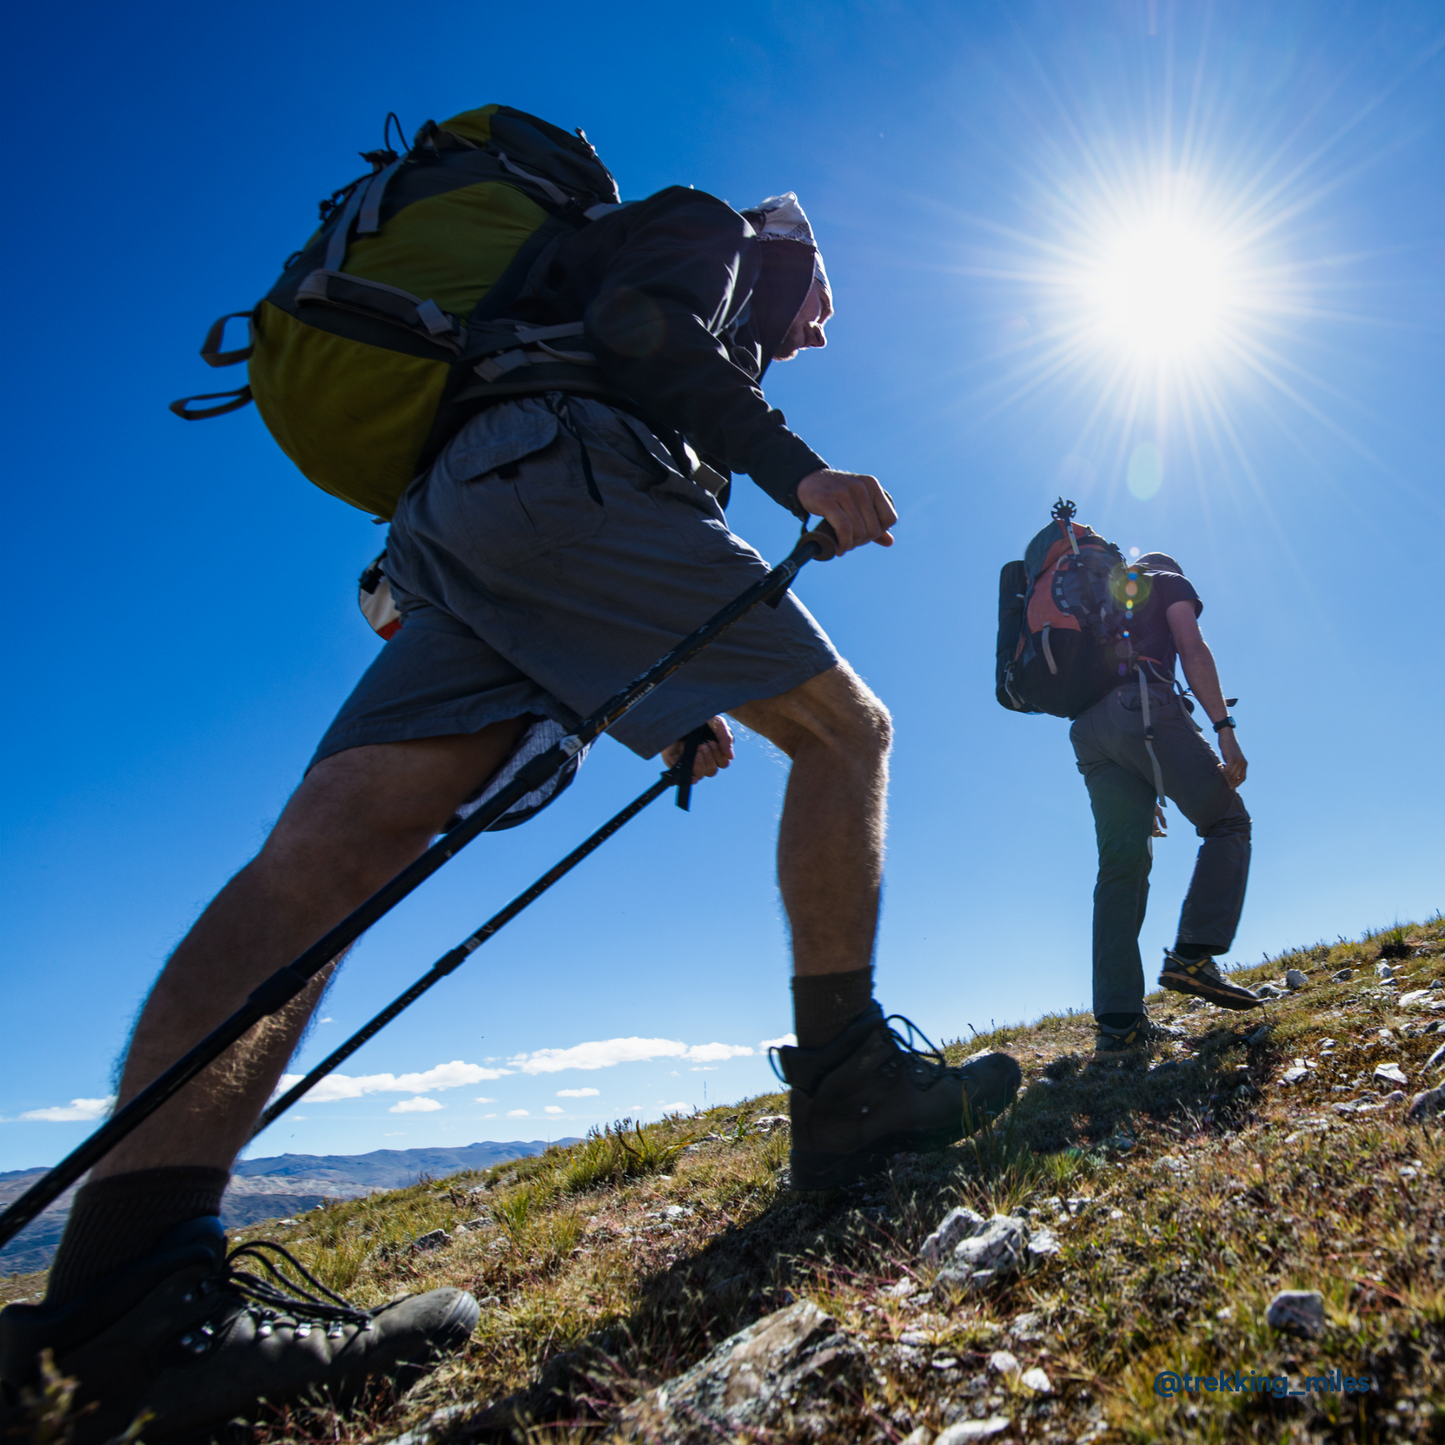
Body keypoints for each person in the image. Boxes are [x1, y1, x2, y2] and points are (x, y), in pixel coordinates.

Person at [0, 188, 1021, 1440]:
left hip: (468, 509)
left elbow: (610, 408)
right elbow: (646, 324)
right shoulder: (711, 230)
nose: (816, 331)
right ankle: (853, 1087)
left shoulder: (564, 299)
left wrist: (670, 699)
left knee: (320, 857)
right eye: (823, 303)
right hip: (567, 470)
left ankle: (124, 1301)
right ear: (791, 254)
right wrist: (795, 467)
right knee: (845, 731)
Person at [1069, 549, 1262, 1055]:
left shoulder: (1099, 600)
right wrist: (1225, 730)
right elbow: (1190, 646)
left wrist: (1141, 777)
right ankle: (1194, 956)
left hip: (1089, 733)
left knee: (1120, 867)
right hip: (1144, 706)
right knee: (1227, 821)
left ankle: (1119, 1026)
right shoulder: (1166, 578)